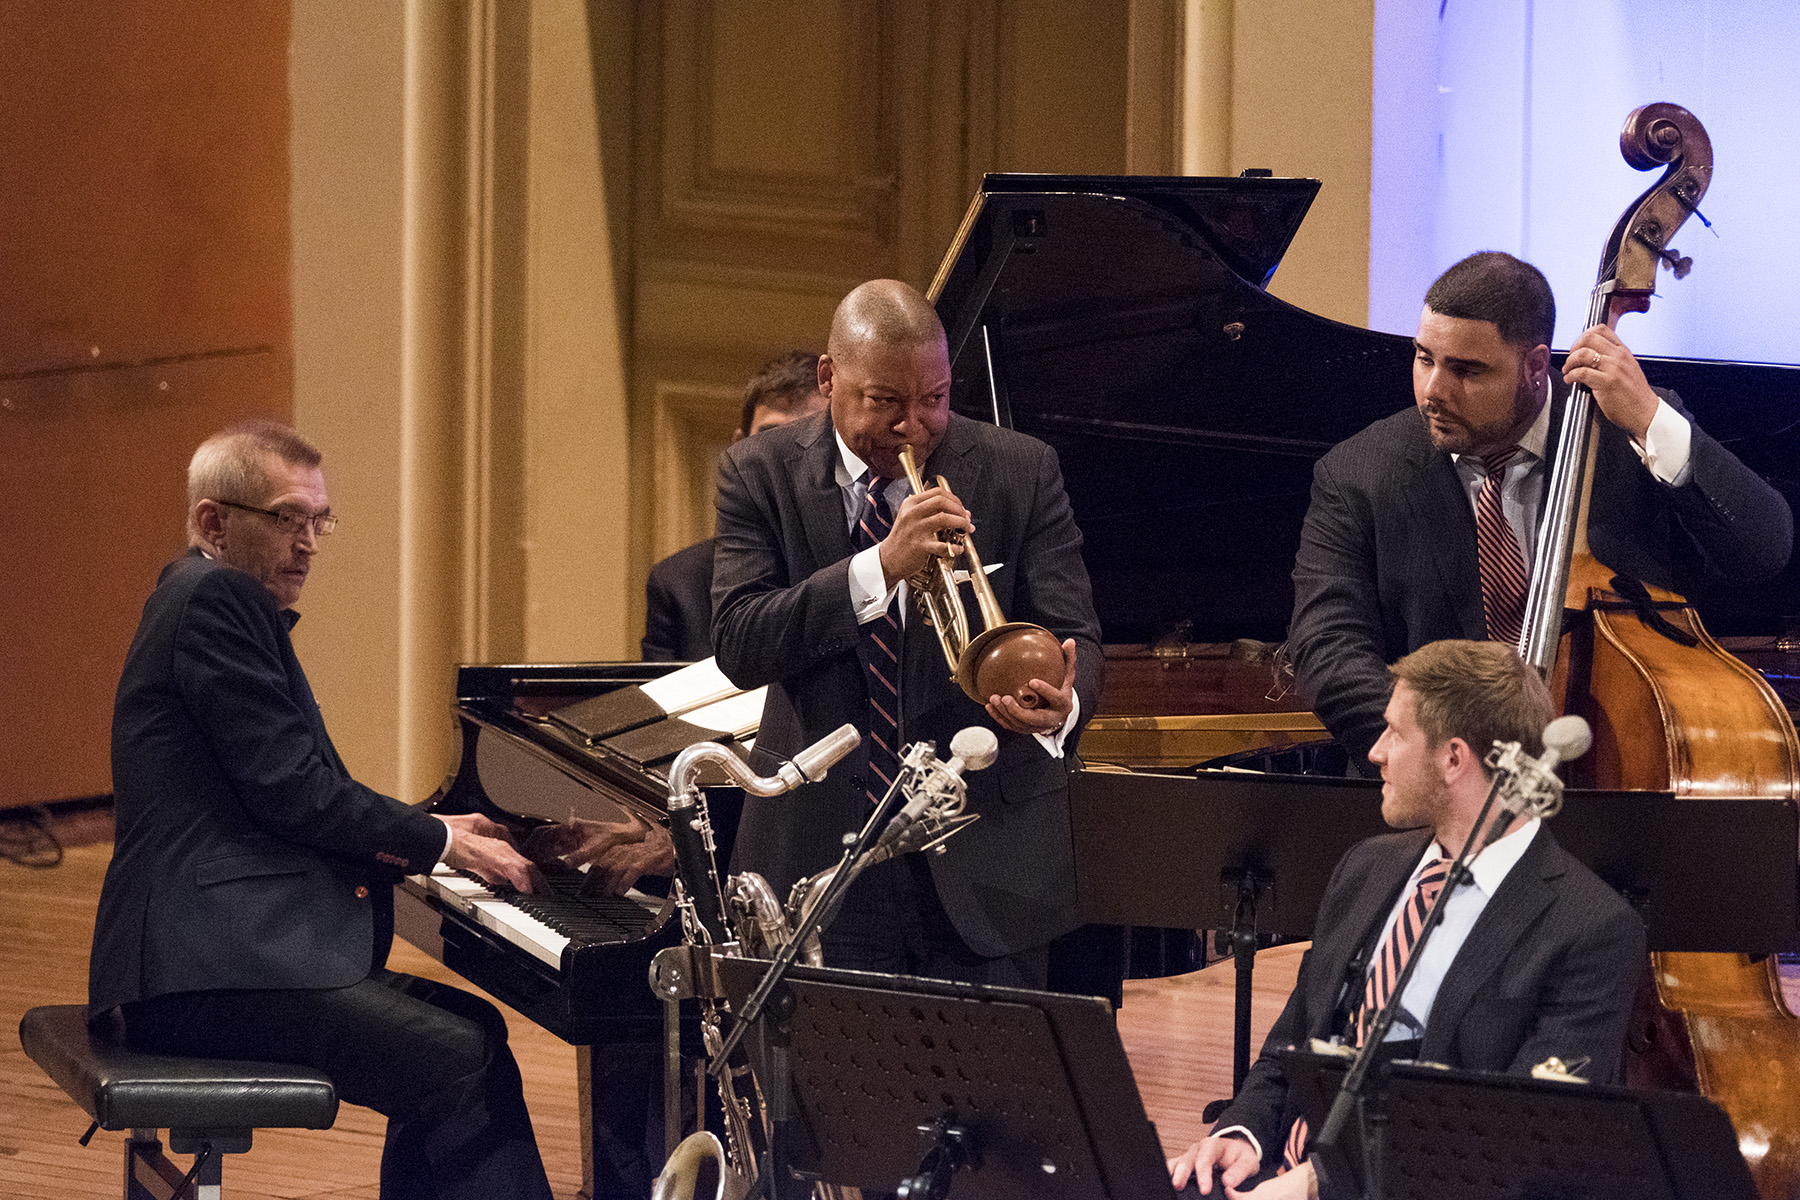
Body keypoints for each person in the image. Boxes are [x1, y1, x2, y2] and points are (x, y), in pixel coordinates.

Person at [88, 420, 554, 1200]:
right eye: (286, 519)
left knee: (475, 1036)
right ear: (213, 522)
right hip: (203, 973)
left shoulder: (204, 599)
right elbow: (292, 792)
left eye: (318, 522)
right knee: (455, 1060)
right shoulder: (215, 599)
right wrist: (437, 839)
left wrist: (435, 833)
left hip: (213, 960)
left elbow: (278, 787)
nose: (308, 543)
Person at [709, 278, 1103, 987]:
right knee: (824, 1096)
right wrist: (881, 566)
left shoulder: (1021, 469)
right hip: (820, 864)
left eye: (935, 399)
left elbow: (1075, 634)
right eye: (885, 401)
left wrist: (1062, 705)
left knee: (994, 1094)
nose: (914, 427)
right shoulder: (758, 472)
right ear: (830, 378)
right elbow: (740, 642)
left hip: (987, 865)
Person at [1168, 639, 1645, 1199]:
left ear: (1452, 758)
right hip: (1284, 1170)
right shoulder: (1367, 865)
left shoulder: (1591, 930)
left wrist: (1317, 1185)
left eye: (1395, 732)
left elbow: (1516, 1143)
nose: (1375, 751)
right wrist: (1244, 1131)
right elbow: (1296, 1038)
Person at [1288, 251, 1793, 770]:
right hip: (1438, 791)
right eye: (1424, 358)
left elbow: (1762, 550)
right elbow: (1330, 651)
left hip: (1618, 764)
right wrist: (1448, 754)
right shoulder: (1357, 473)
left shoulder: (1625, 432)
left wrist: (1649, 419)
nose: (1433, 390)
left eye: (1466, 370)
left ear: (1533, 366)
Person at [642, 349, 832, 661]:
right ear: (739, 449)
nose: (789, 458)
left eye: (808, 437)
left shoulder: (868, 563)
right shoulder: (677, 584)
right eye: (772, 438)